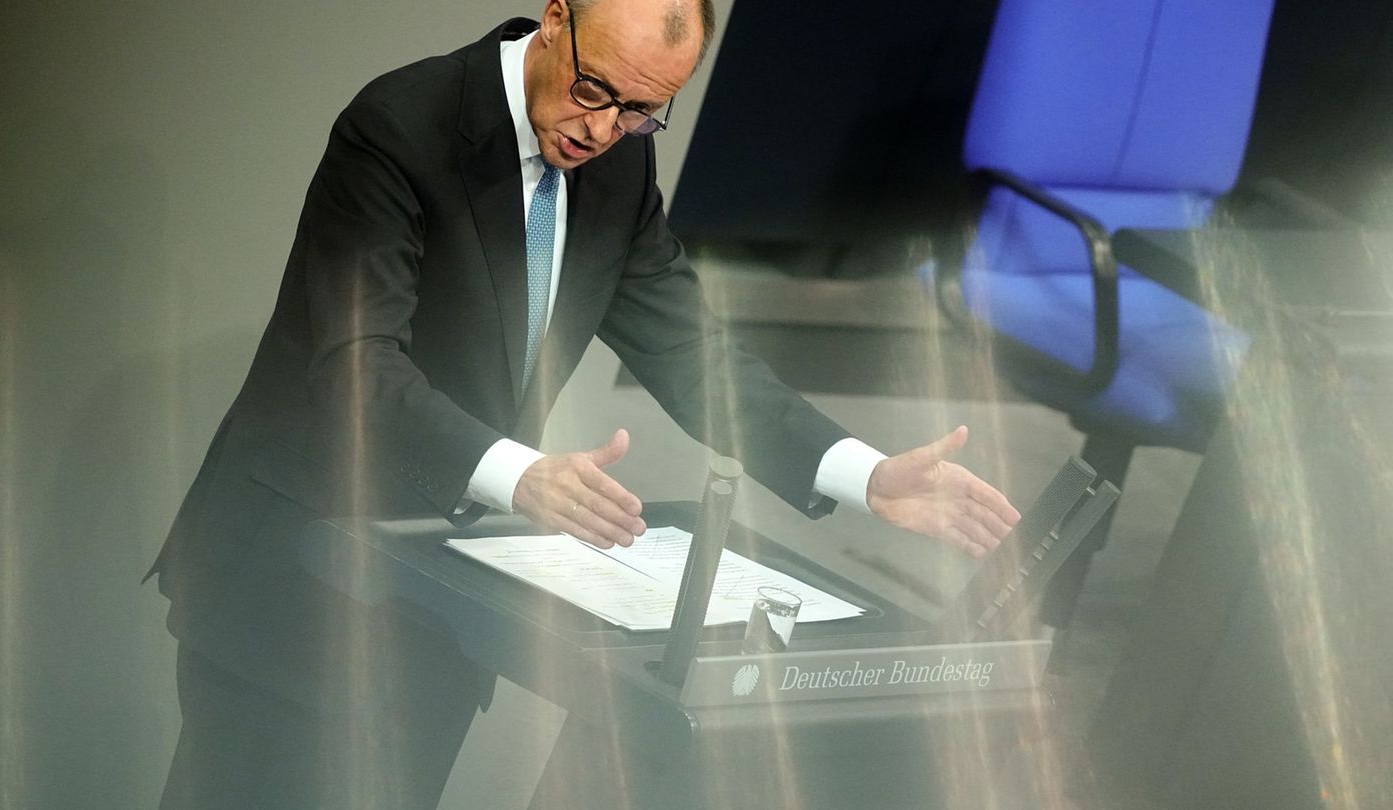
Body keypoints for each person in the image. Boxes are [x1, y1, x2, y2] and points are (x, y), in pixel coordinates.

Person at [148, 0, 1022, 806]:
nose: (603, 130)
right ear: (557, 18)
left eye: (642, 110)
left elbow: (690, 352)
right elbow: (355, 368)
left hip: (428, 612)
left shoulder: (619, 163)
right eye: (594, 89)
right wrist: (521, 477)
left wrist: (862, 473)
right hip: (291, 590)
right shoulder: (398, 128)